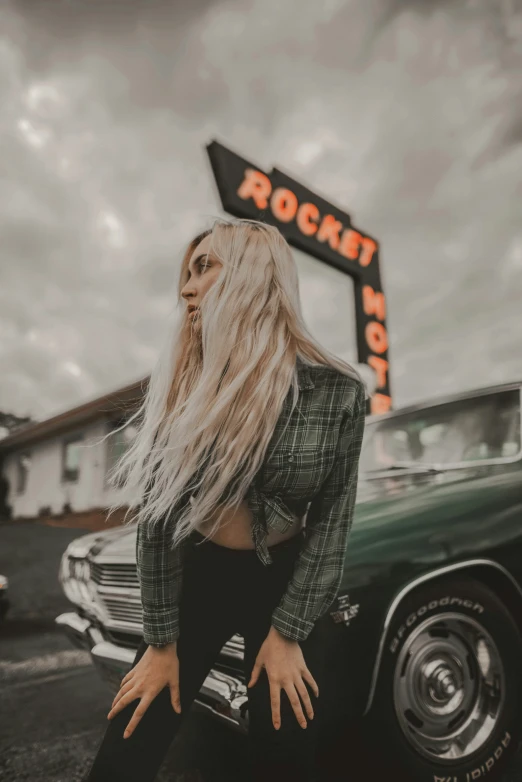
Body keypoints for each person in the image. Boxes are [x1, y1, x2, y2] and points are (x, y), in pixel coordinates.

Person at [86, 217, 367, 782]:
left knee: (287, 747)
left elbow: (333, 520)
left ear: (253, 274)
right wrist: (160, 644)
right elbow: (157, 524)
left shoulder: (338, 393)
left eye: (203, 268)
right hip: (201, 574)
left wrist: (287, 633)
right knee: (128, 743)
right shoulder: (186, 385)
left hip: (281, 580)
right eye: (186, 275)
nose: (186, 289)